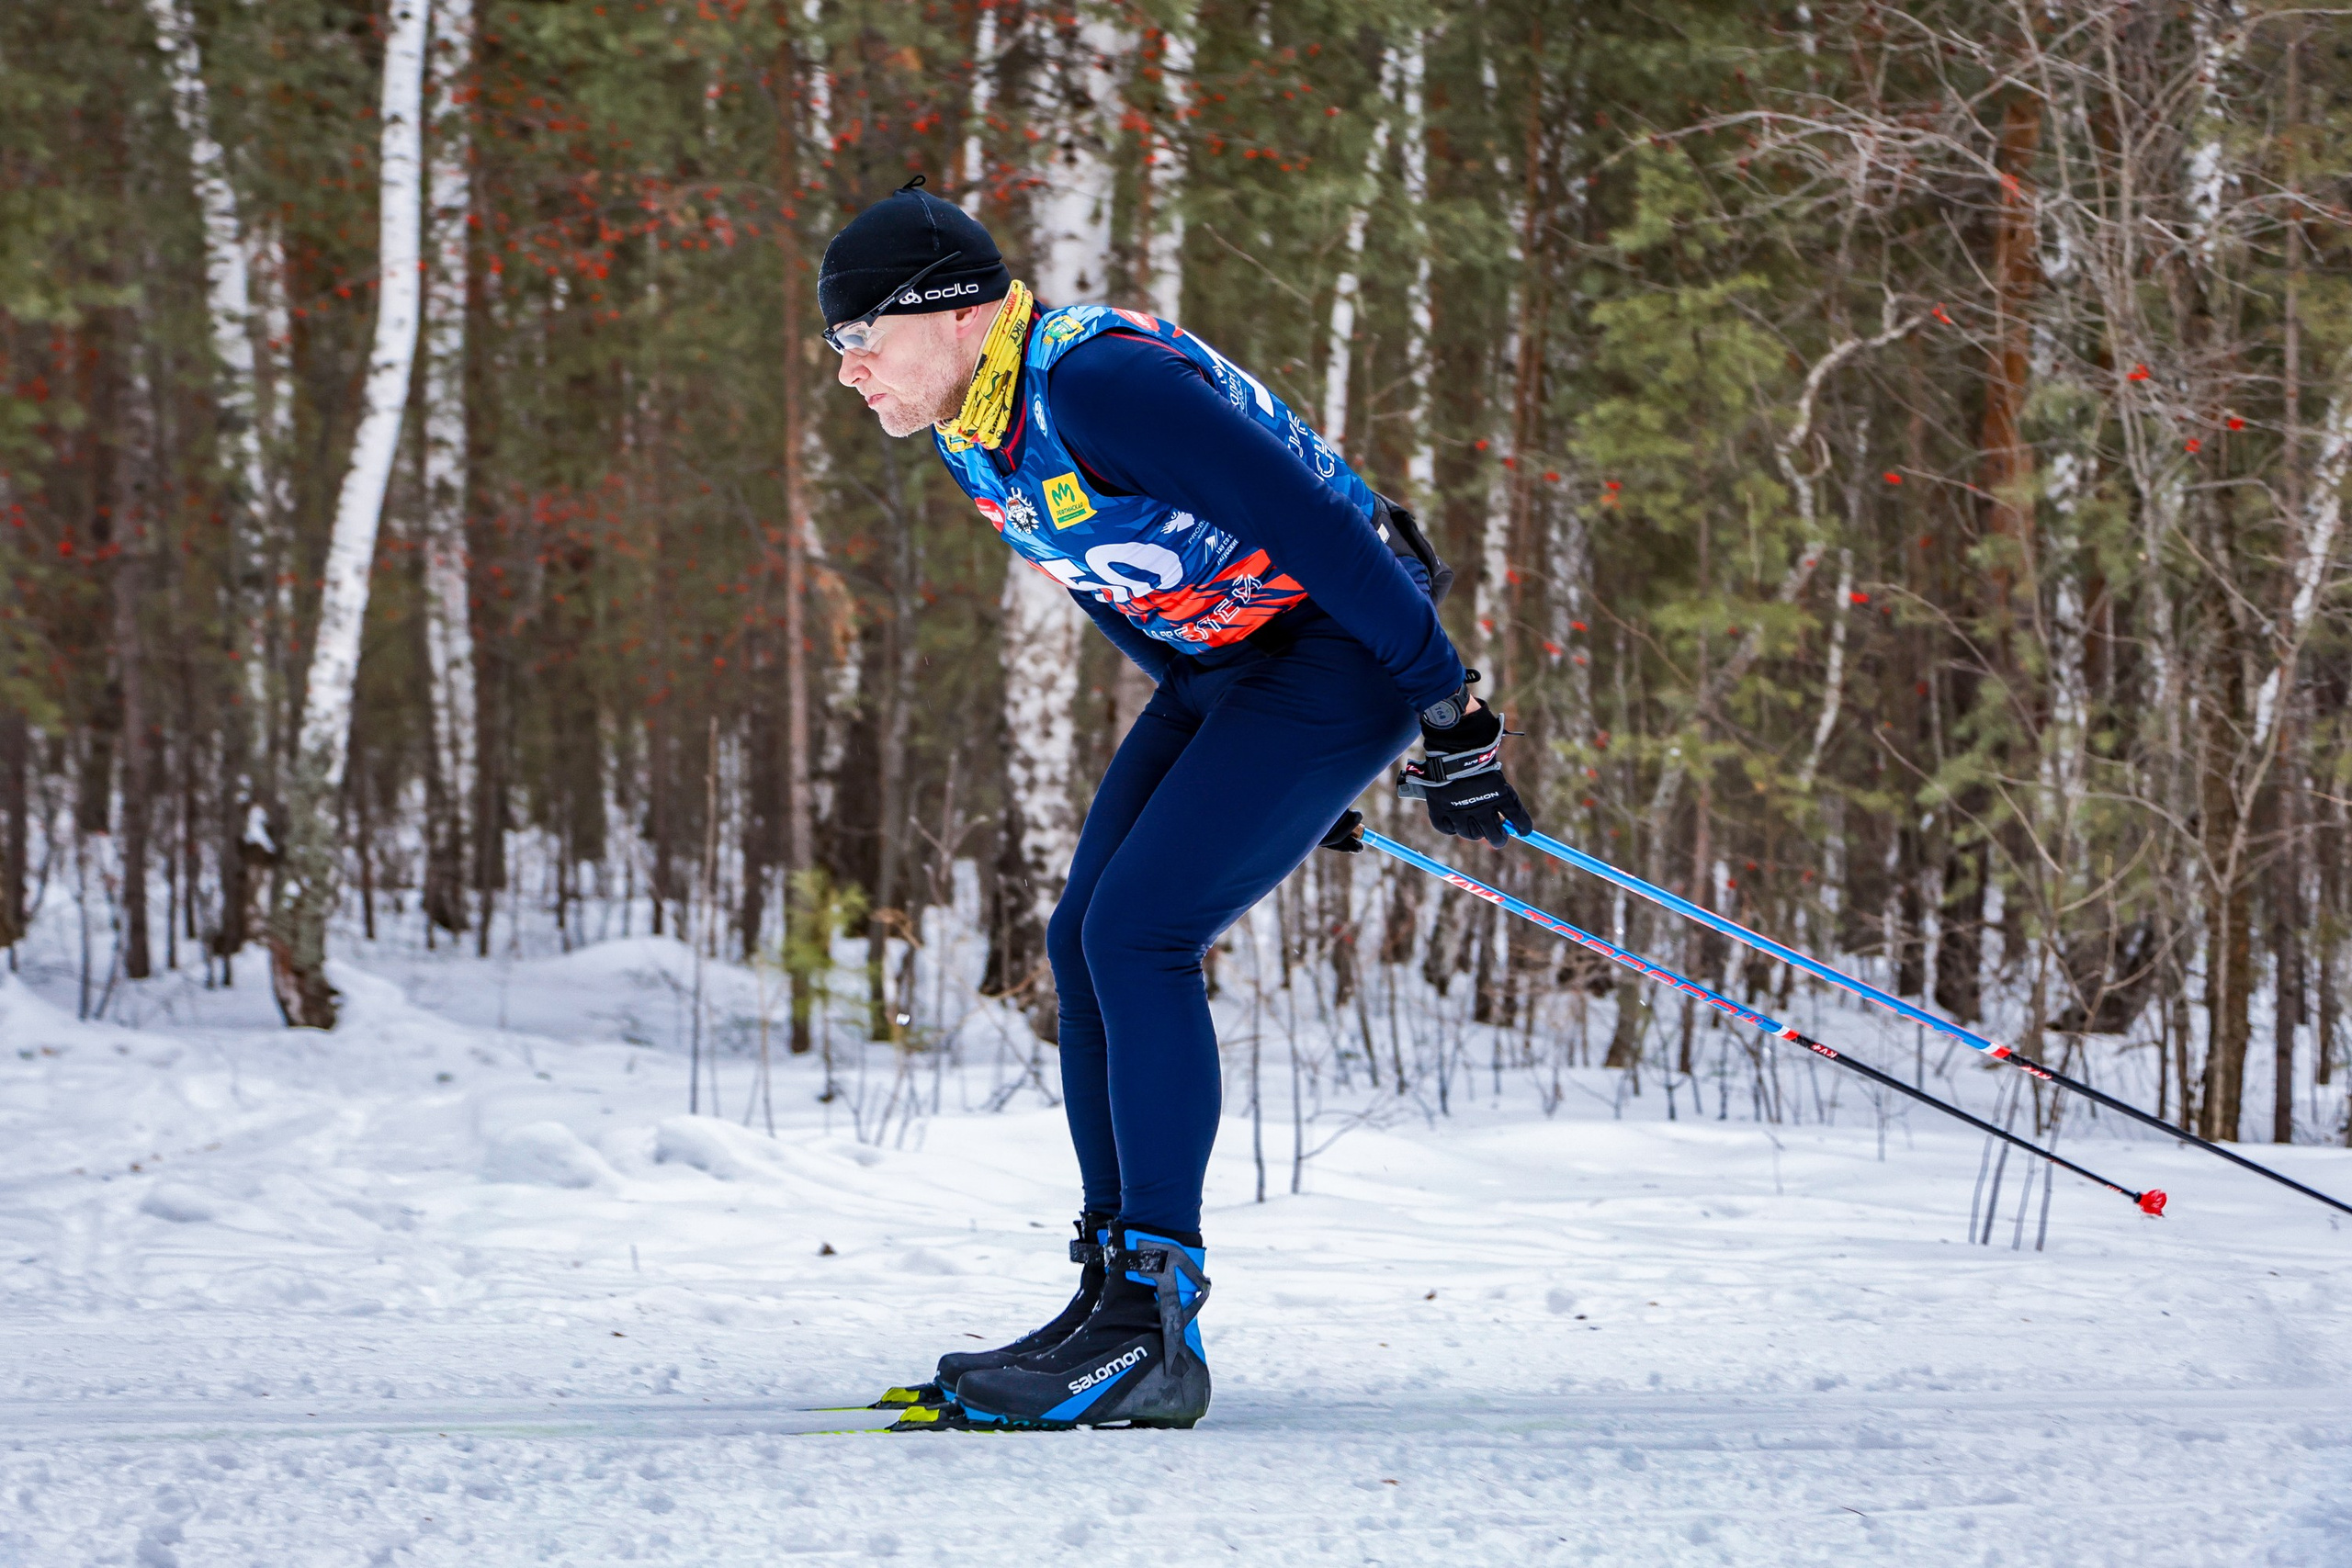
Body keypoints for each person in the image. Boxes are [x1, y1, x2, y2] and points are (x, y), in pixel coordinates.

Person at [820, 176, 1532, 1430]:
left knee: (1137, 935)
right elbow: (1104, 579)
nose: (849, 373)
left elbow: (1318, 525)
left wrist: (1446, 710)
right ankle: (1110, 1297)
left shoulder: (1098, 384)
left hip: (1341, 645)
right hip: (1234, 668)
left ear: (951, 315)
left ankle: (1157, 1324)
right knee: (1082, 939)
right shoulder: (974, 428)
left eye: (860, 340)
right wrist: (1248, 775)